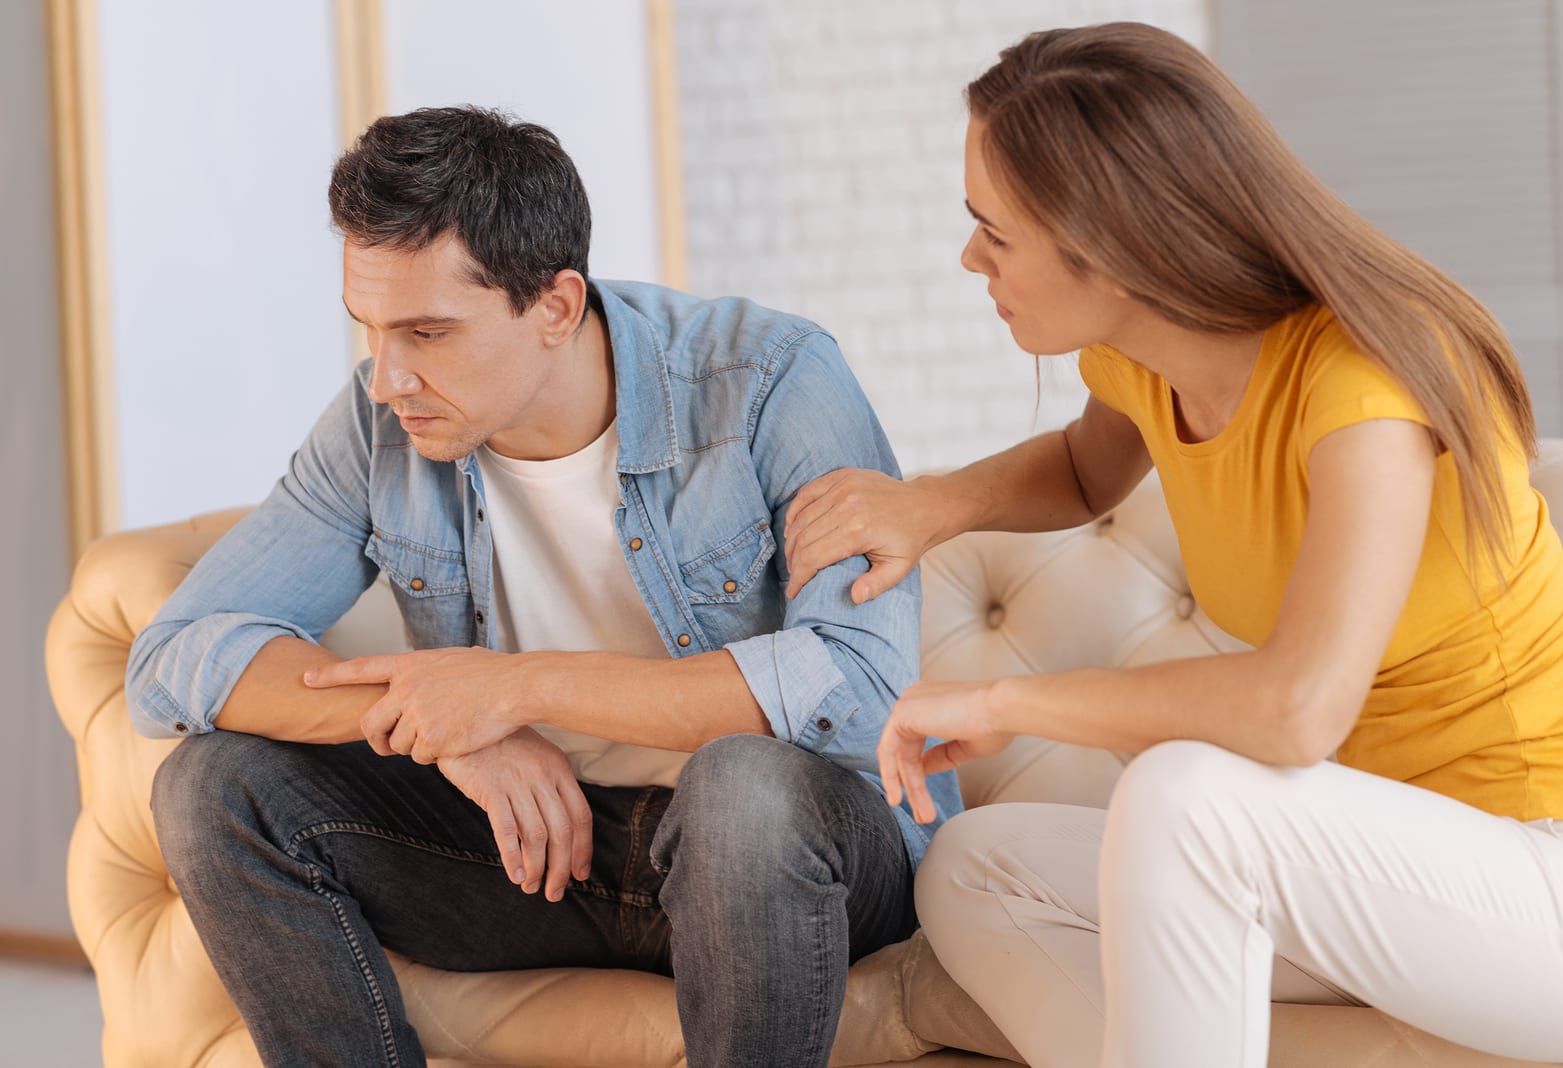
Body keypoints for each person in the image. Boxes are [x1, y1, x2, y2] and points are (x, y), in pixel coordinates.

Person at [781, 22, 1563, 1068]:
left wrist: (1003, 704)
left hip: (1548, 885)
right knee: (976, 868)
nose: (969, 257)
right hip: (1365, 874)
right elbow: (1086, 471)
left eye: (994, 233)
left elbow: (1296, 711)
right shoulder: (1147, 361)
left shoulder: (1369, 383)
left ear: (1111, 247)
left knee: (1185, 798)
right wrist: (927, 505)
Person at [126, 105, 961, 1068]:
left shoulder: (767, 379)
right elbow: (176, 655)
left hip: (787, 859)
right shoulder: (378, 426)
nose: (388, 376)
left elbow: (861, 691)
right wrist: (446, 729)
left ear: (556, 306)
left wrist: (518, 688)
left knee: (742, 786)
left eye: (429, 332)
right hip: (536, 852)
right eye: (370, 329)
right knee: (215, 786)